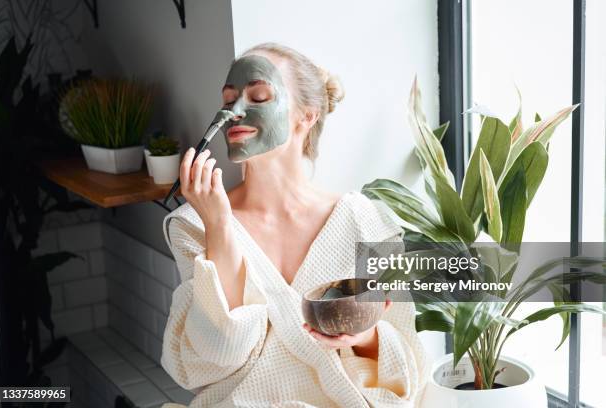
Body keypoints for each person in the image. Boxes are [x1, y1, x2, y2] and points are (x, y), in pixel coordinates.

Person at [161, 43, 427, 408]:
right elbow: (216, 355)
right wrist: (219, 224)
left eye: (258, 97)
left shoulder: (365, 221)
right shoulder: (195, 225)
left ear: (307, 116)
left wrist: (363, 337)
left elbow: (408, 362)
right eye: (228, 100)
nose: (235, 112)